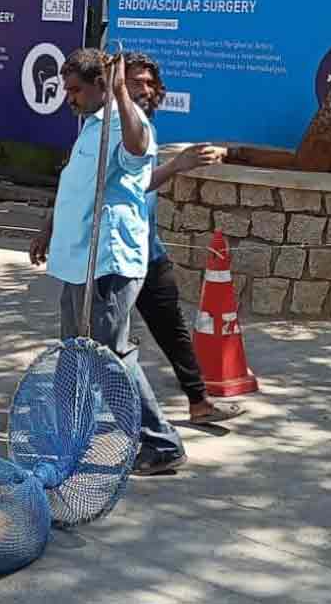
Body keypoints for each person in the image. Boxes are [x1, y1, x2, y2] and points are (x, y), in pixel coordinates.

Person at [28, 47, 186, 475]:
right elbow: (74, 186)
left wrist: (121, 94)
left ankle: (160, 442)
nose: (69, 98)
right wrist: (47, 229)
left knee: (109, 357)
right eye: (67, 90)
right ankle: (71, 438)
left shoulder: (126, 123)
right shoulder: (91, 126)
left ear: (101, 85)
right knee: (75, 354)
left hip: (108, 261)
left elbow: (137, 149)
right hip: (77, 259)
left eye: (76, 90)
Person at [120, 51, 244, 424]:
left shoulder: (144, 126)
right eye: (135, 82)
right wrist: (177, 165)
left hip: (147, 250)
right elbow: (128, 185)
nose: (145, 89)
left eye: (149, 83)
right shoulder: (110, 129)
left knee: (172, 328)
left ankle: (200, 403)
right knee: (105, 339)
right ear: (117, 86)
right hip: (115, 255)